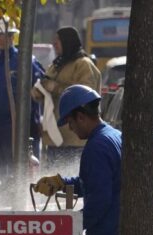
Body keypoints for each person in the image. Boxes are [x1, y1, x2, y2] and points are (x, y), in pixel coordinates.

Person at [33, 85, 121, 235]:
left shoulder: (97, 147)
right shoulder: (111, 136)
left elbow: (100, 200)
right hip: (114, 228)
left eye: (70, 122)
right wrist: (62, 183)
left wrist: (71, 228)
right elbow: (95, 183)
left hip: (106, 233)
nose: (70, 128)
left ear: (81, 116)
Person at [0, 18, 44, 179]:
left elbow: (35, 93)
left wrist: (33, 123)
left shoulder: (24, 61)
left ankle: (13, 197)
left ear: (12, 37)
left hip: (12, 124)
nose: (0, 38)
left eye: (4, 34)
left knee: (14, 166)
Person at [31, 27, 101, 168]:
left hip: (74, 139)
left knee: (71, 182)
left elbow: (85, 95)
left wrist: (55, 88)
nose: (55, 44)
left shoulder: (83, 65)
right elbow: (41, 89)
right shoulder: (57, 65)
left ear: (68, 42)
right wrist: (39, 90)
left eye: (58, 41)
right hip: (53, 138)